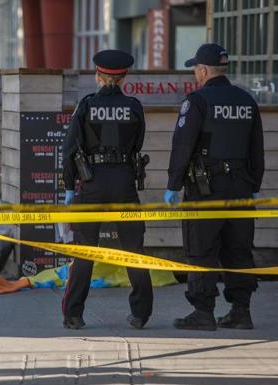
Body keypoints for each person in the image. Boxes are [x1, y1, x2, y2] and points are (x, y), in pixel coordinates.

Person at [164, 43, 265, 331]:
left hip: (206, 189)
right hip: (242, 188)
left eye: (195, 68)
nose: (195, 73)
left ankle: (203, 312)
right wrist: (254, 185)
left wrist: (173, 184)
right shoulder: (246, 101)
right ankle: (241, 311)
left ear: (204, 70)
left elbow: (182, 146)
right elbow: (256, 149)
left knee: (201, 248)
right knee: (239, 249)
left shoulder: (197, 101)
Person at [61, 50, 153, 330]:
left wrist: (68, 186)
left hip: (92, 182)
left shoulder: (87, 106)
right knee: (134, 250)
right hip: (125, 181)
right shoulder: (134, 106)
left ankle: (74, 314)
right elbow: (137, 144)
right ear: (124, 76)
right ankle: (140, 314)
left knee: (85, 251)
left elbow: (70, 149)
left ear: (98, 76)